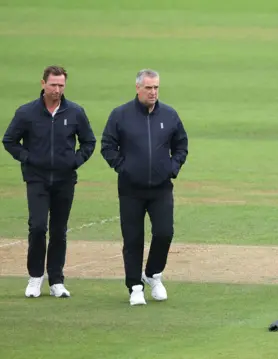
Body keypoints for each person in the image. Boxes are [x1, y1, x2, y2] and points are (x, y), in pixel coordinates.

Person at [2, 65, 96, 298]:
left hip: (65, 180)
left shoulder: (75, 112)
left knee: (58, 230)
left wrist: (75, 161)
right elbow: (9, 140)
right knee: (37, 227)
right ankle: (35, 278)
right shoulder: (27, 113)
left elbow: (89, 142)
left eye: (61, 85)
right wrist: (28, 158)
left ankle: (56, 280)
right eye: (53, 85)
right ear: (43, 84)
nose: (57, 89)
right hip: (37, 179)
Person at [100, 69, 188, 306]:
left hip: (161, 188)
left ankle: (152, 274)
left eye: (156, 87)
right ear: (138, 88)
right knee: (133, 238)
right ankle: (135, 286)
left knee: (164, 233)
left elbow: (181, 145)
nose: (153, 92)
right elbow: (108, 146)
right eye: (148, 88)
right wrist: (123, 167)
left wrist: (172, 168)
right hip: (131, 189)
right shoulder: (121, 115)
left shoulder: (169, 115)